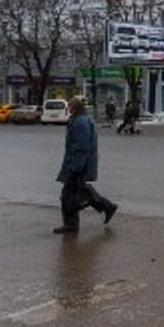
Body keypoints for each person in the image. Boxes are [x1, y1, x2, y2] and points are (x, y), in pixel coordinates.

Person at [54, 97, 117, 234]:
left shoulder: (80, 122)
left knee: (67, 195)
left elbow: (82, 147)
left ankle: (71, 224)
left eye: (70, 105)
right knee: (81, 191)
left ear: (75, 107)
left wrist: (76, 167)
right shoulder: (81, 119)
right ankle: (107, 207)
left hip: (78, 164)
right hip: (80, 162)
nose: (68, 108)